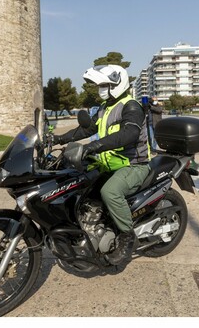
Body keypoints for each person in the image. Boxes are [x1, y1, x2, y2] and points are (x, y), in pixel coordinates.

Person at [53, 64, 150, 265]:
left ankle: (127, 236)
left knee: (110, 192)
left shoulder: (131, 107)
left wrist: (95, 146)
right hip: (109, 165)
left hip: (133, 165)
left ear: (117, 83)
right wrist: (57, 139)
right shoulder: (106, 108)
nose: (101, 89)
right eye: (100, 85)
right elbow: (86, 130)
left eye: (105, 85)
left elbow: (129, 133)